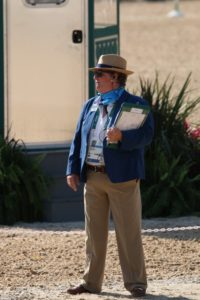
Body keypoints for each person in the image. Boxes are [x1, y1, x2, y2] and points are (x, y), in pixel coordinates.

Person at [66, 54, 154, 298]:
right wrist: (72, 169)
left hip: (123, 179)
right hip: (92, 178)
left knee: (129, 232)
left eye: (99, 74)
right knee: (93, 235)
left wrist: (123, 137)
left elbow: (147, 136)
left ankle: (136, 283)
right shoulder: (90, 104)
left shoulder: (135, 104)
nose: (95, 78)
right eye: (95, 74)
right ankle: (90, 282)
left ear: (115, 77)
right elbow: (77, 139)